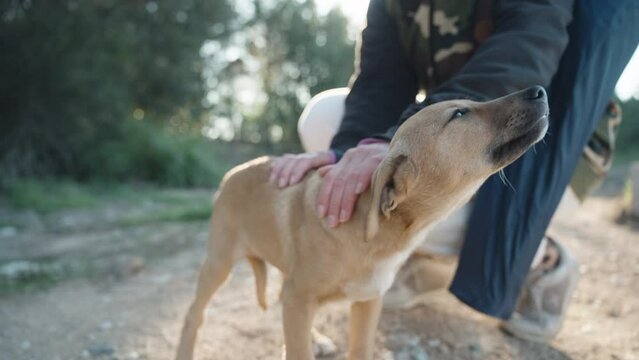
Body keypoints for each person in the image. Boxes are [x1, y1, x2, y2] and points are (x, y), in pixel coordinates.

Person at [270, 0, 639, 342]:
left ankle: (538, 259)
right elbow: (379, 84)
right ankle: (421, 261)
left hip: (550, 141)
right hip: (461, 135)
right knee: (324, 118)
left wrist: (396, 143)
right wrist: (347, 150)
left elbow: (526, 48)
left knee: (426, 178)